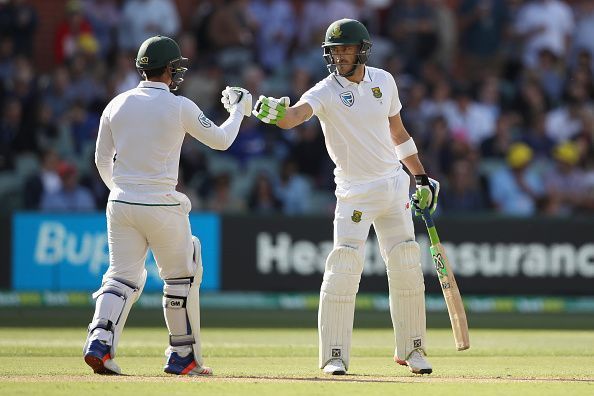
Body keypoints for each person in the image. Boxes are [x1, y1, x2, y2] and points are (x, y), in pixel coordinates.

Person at [252, 19, 438, 375]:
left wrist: (421, 177)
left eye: (346, 49)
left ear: (362, 50)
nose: (339, 55)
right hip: (354, 193)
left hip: (394, 186)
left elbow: (399, 133)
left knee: (406, 264)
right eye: (334, 50)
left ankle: (412, 350)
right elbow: (294, 117)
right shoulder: (325, 90)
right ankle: (334, 355)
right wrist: (273, 114)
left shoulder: (384, 80)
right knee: (344, 267)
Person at [82, 35, 252, 376]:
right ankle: (182, 355)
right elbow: (220, 141)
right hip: (161, 204)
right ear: (171, 69)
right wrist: (238, 111)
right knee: (181, 277)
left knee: (121, 276)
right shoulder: (180, 106)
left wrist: (122, 190)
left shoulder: (116, 104)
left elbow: (101, 160)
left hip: (120, 202)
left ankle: (99, 341)